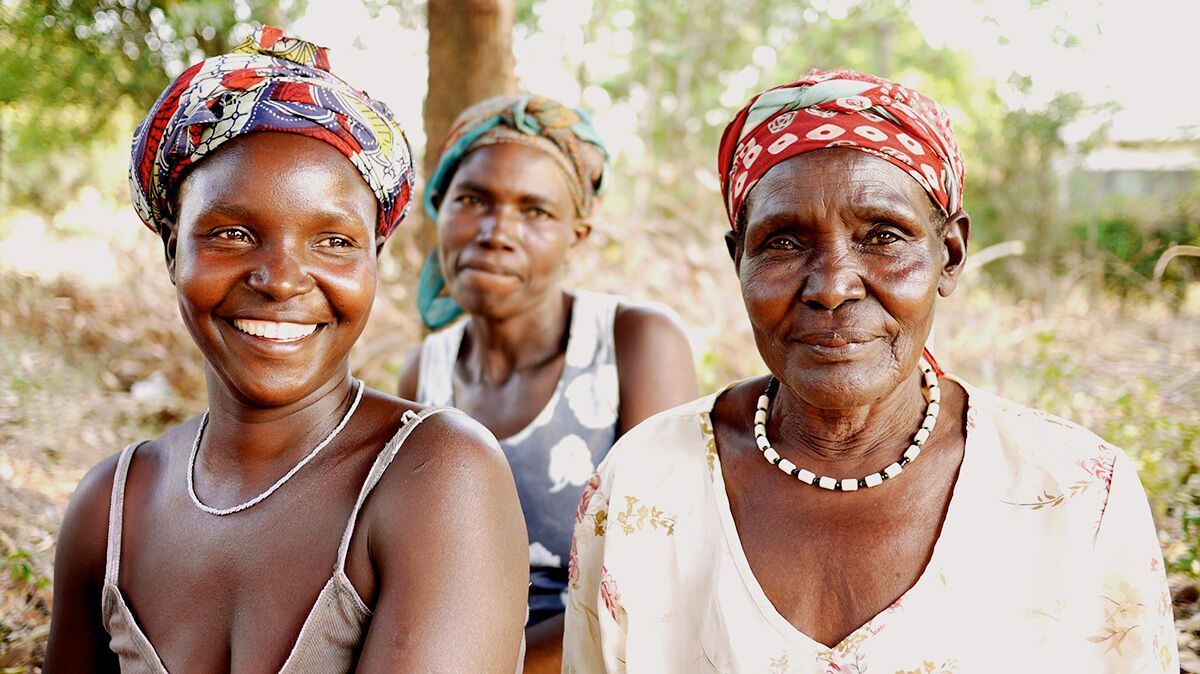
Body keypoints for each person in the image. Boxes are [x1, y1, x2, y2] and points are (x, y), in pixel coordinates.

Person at [562, 69, 1178, 673]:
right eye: (782, 242)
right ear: (738, 259)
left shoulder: (1076, 492)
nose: (832, 286)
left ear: (950, 256)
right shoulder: (645, 484)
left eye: (883, 236)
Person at [44, 27, 528, 673]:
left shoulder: (434, 477)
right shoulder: (111, 508)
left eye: (333, 242)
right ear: (171, 249)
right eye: (234, 233)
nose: (279, 280)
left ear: (374, 260)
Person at [398, 94, 698, 672]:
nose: (496, 232)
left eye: (534, 211)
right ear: (440, 209)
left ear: (576, 236)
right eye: (472, 199)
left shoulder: (633, 343)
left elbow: (659, 571)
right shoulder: (425, 372)